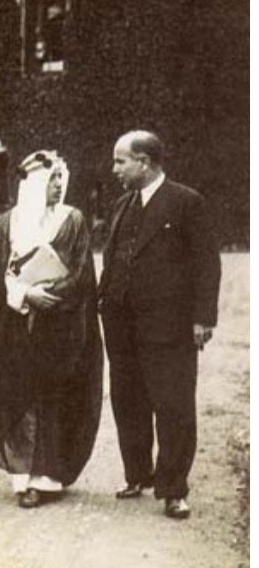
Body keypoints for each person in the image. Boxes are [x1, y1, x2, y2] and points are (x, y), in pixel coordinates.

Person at [100, 130, 221, 521]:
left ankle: (173, 489)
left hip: (169, 328)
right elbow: (113, 260)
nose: (114, 169)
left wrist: (203, 318)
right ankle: (137, 475)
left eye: (120, 161)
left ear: (144, 162)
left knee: (173, 406)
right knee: (128, 402)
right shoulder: (121, 205)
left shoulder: (186, 202)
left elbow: (207, 263)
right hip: (122, 327)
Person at [0, 150, 103, 507]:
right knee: (19, 395)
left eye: (61, 178)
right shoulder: (9, 224)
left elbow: (81, 273)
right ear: (33, 184)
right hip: (17, 324)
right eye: (51, 180)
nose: (58, 185)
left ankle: (46, 477)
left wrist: (51, 294)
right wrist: (25, 294)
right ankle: (24, 475)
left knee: (54, 398)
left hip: (60, 326)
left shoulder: (72, 220)